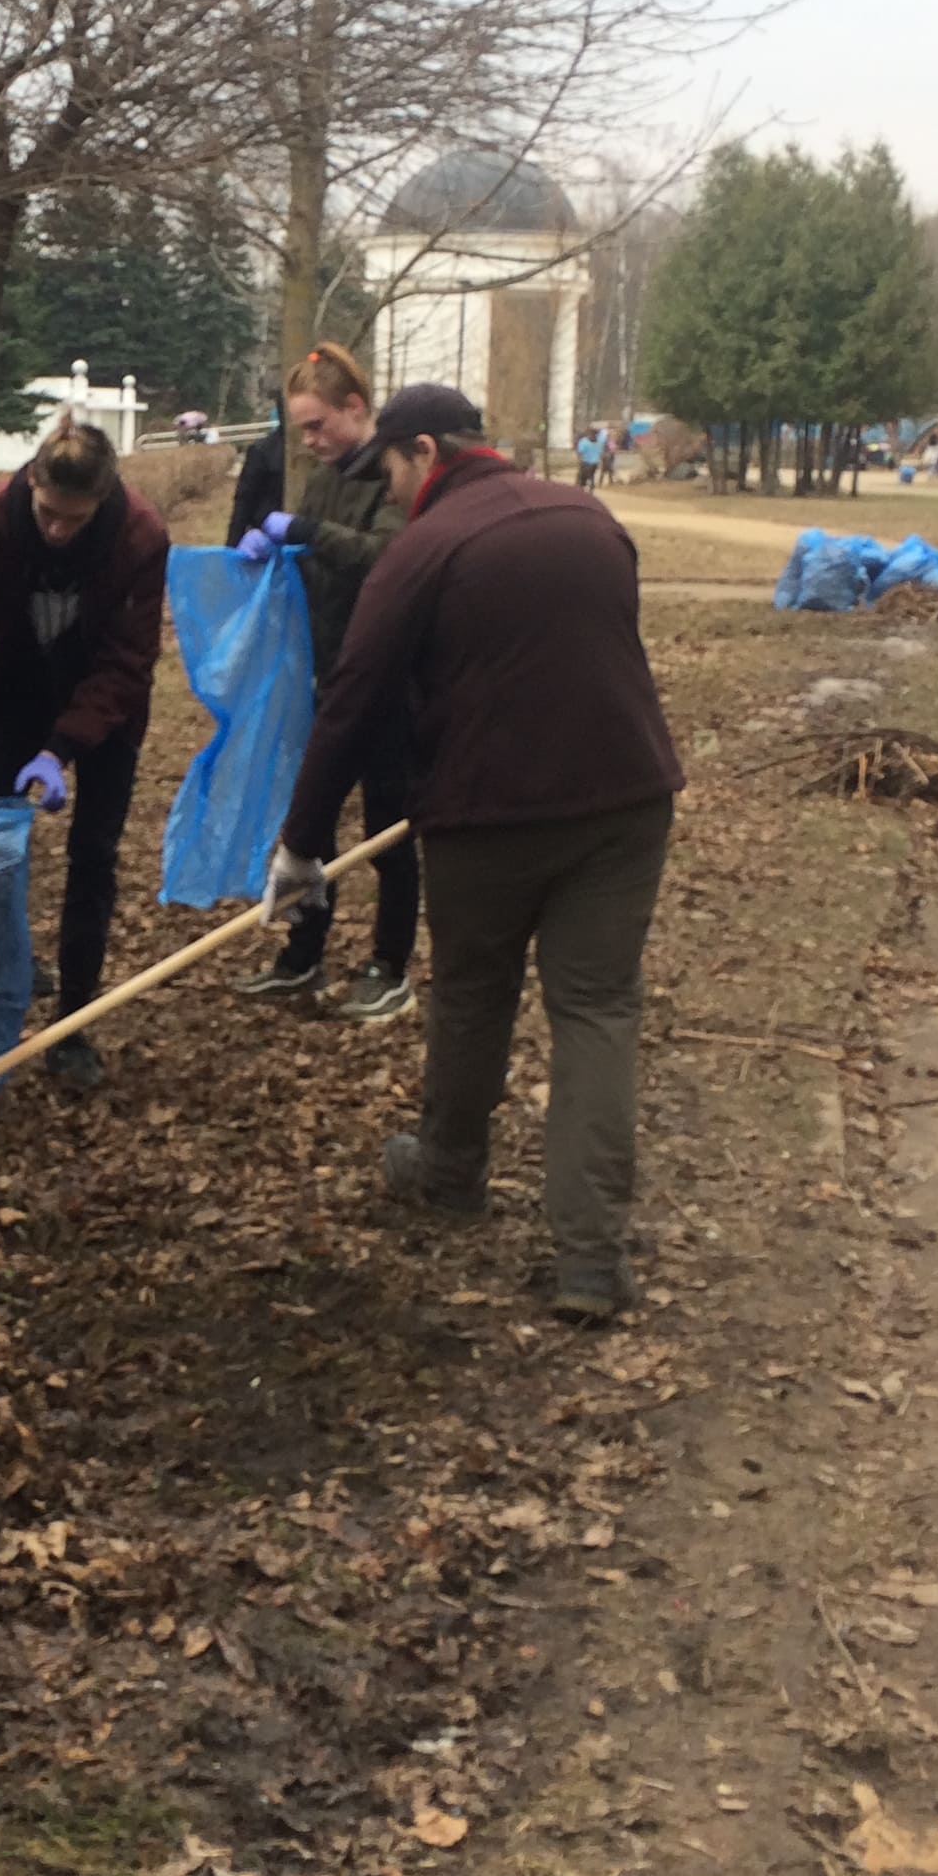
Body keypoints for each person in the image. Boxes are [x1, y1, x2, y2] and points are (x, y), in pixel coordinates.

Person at [265, 384, 683, 1324]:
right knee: (598, 1011)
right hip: (625, 804)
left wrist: (301, 843)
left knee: (473, 990)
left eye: (396, 472)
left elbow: (354, 698)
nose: (394, 491)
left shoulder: (426, 548)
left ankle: (451, 1170)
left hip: (488, 813)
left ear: (425, 452)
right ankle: (590, 1260)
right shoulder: (592, 516)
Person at [0, 423, 171, 1092]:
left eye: (74, 519)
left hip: (108, 712)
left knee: (94, 856)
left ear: (104, 498)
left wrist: (63, 749)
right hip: (14, 692)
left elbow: (128, 661)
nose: (58, 530)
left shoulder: (139, 536)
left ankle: (73, 1025)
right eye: (49, 512)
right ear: (32, 481)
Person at [230, 343, 420, 1021]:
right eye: (299, 428)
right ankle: (302, 955)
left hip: (389, 679)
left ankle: (390, 965)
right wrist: (273, 553)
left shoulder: (389, 476)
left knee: (388, 825)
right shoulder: (326, 473)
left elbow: (386, 558)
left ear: (355, 409)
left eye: (317, 426)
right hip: (324, 671)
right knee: (308, 821)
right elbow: (315, 555)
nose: (308, 442)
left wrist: (306, 530)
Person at [227, 396, 292, 544]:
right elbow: (244, 500)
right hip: (267, 540)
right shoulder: (262, 451)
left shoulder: (320, 450)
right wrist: (232, 547)